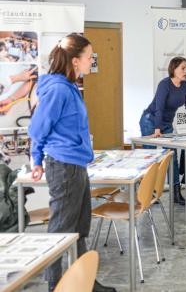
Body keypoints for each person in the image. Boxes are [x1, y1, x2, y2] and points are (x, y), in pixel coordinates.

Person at [28, 34, 116, 292]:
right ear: (75, 60)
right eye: (90, 56)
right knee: (61, 230)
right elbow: (37, 129)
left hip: (75, 165)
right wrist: (36, 159)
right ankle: (55, 285)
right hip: (64, 166)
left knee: (79, 227)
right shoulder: (57, 89)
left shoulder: (68, 86)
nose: (92, 60)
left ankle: (84, 281)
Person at [140, 56, 186, 205]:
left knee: (172, 157)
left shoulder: (185, 86)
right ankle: (147, 192)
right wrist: (157, 128)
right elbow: (159, 107)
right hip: (150, 120)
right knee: (151, 157)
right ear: (174, 69)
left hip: (166, 124)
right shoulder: (164, 85)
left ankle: (176, 193)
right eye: (183, 68)